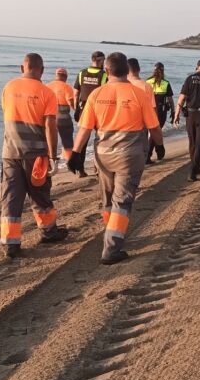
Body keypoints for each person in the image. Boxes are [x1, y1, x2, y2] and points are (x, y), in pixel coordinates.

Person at [67, 52, 164, 265]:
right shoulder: (139, 94)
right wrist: (159, 145)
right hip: (130, 155)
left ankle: (111, 233)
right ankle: (111, 249)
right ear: (127, 71)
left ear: (107, 71)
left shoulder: (96, 94)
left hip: (103, 155)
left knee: (108, 198)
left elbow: (85, 129)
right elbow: (154, 127)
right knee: (122, 201)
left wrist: (75, 153)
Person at [0, 53, 69, 259]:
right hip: (36, 155)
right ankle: (48, 232)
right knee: (40, 195)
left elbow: (6, 113)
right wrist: (53, 156)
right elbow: (50, 126)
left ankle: (10, 242)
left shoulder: (8, 87)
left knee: (11, 197)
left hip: (10, 153)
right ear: (42, 70)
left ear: (22, 68)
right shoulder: (47, 93)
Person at [72, 51, 109, 177]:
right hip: (99, 109)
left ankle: (80, 169)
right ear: (101, 60)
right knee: (101, 138)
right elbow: (106, 94)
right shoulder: (104, 75)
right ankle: (98, 167)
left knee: (83, 139)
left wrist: (76, 109)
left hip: (83, 109)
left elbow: (75, 94)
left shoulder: (82, 73)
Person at [127, 57, 162, 164]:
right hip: (141, 125)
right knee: (139, 150)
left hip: (121, 124)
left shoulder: (120, 85)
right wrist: (156, 129)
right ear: (139, 69)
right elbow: (153, 109)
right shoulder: (146, 86)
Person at [46, 68, 76, 167]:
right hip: (64, 119)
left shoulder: (48, 86)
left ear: (56, 76)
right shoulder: (67, 87)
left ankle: (49, 163)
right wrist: (77, 110)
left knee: (49, 141)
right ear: (66, 77)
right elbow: (70, 102)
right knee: (67, 141)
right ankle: (69, 163)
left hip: (49, 119)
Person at [146, 62, 174, 130]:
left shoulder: (147, 81)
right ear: (163, 71)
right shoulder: (166, 83)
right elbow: (170, 100)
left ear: (154, 70)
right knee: (158, 130)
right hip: (161, 112)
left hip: (149, 111)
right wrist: (173, 112)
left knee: (148, 131)